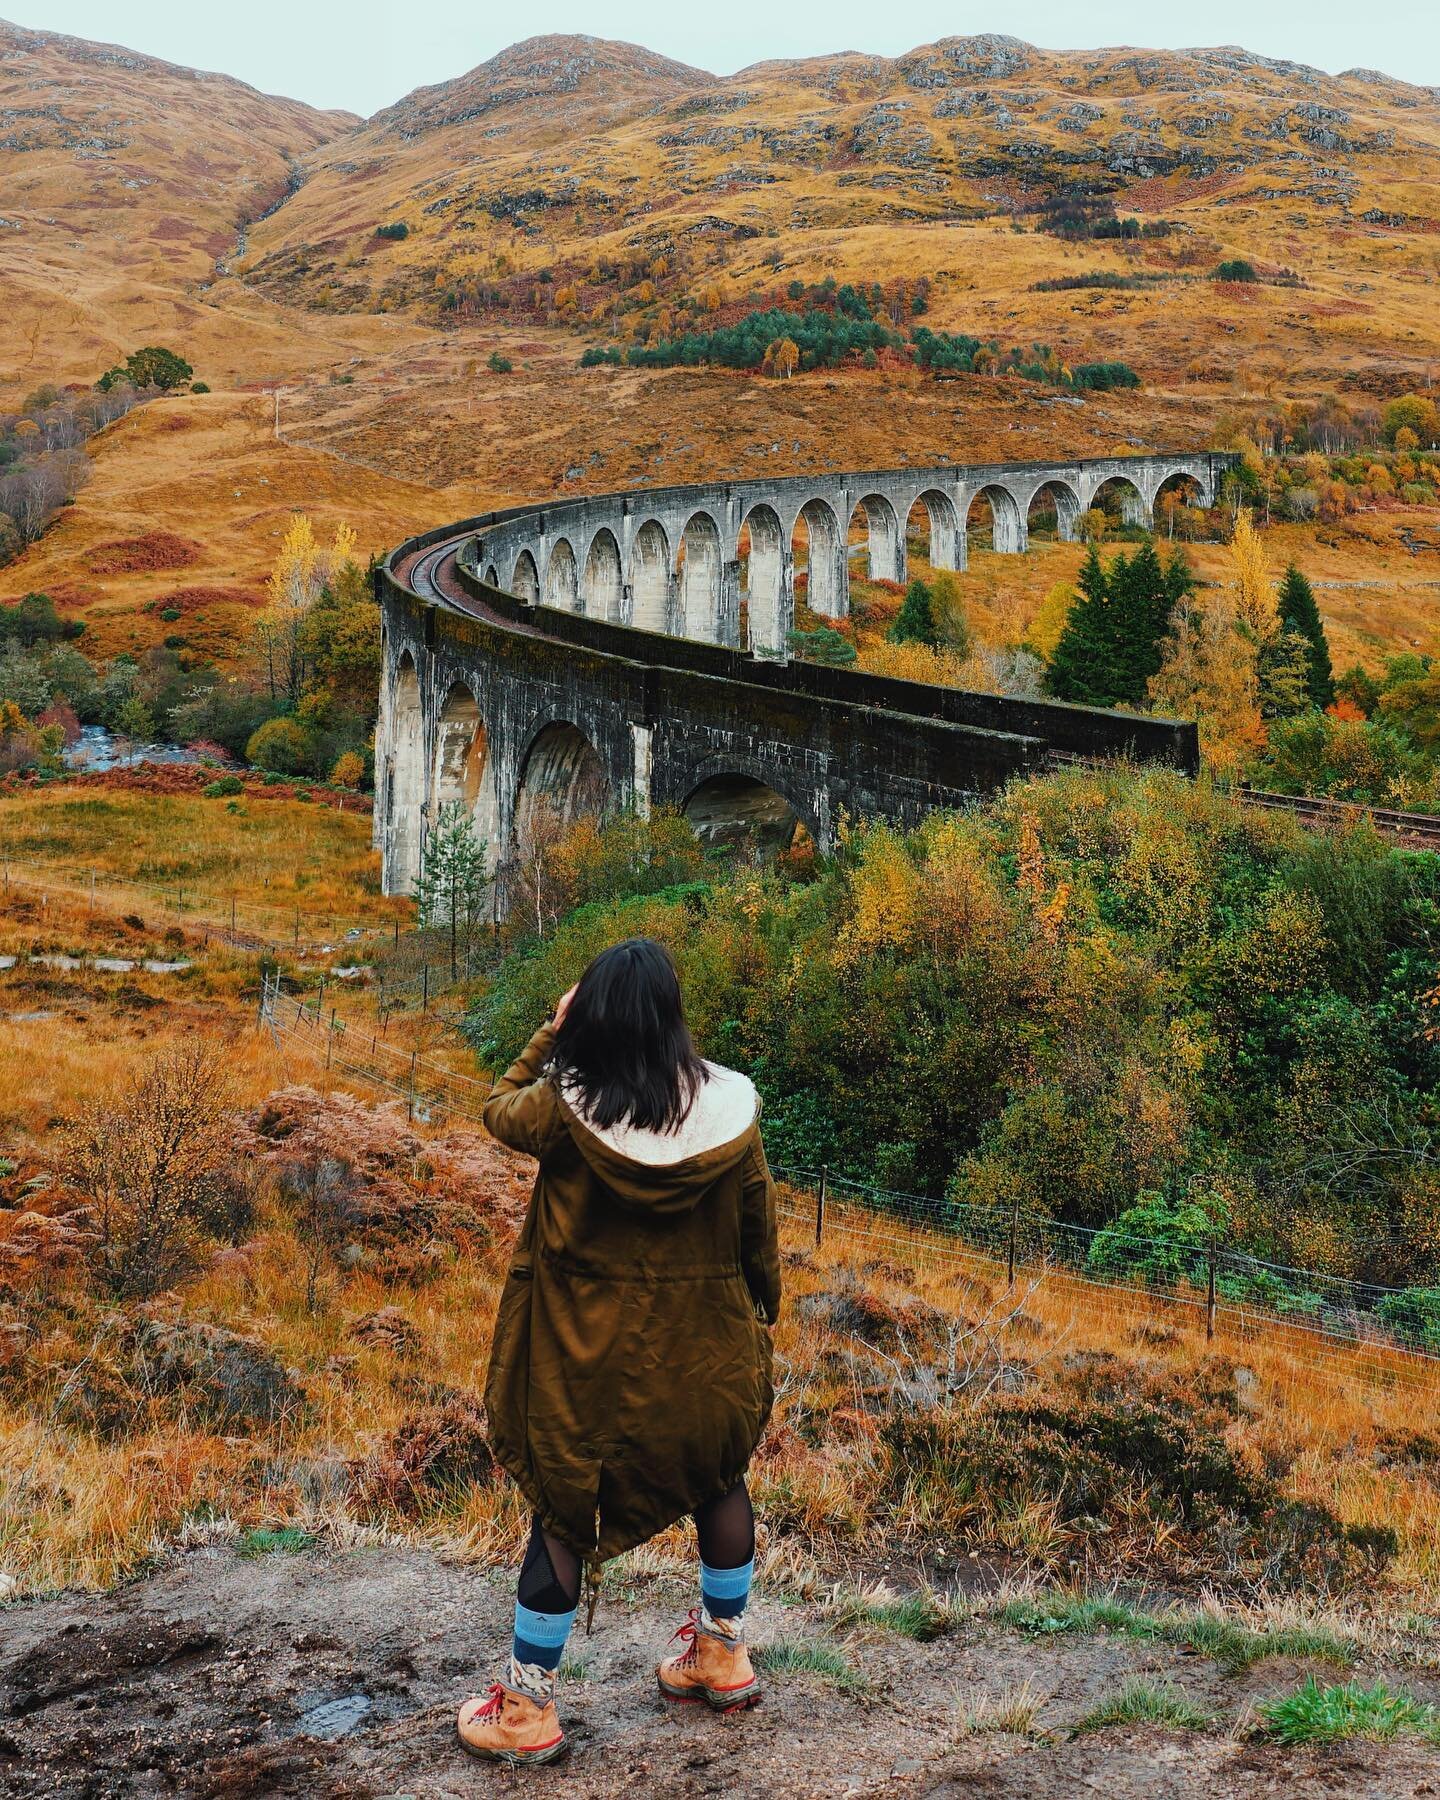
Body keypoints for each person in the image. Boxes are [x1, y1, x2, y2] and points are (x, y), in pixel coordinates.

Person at [457, 937, 781, 1768]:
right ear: (673, 1017)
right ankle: (721, 1654)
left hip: (586, 1366)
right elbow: (759, 1236)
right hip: (708, 1355)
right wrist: (764, 1317)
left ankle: (527, 1707)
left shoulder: (564, 1108)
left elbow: (497, 1105)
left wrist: (549, 1032)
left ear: (593, 1016)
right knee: (719, 1482)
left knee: (565, 1514)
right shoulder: (732, 1109)